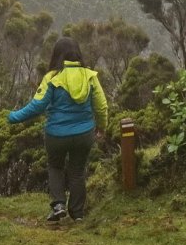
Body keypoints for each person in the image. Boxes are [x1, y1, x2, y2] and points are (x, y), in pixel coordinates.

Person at [7, 36, 109, 222]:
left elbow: (37, 106)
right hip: (83, 133)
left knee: (55, 167)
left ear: (56, 55)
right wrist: (102, 127)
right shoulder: (90, 76)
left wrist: (13, 117)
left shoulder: (52, 78)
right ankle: (77, 214)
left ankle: (58, 205)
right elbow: (101, 106)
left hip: (56, 135)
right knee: (77, 171)